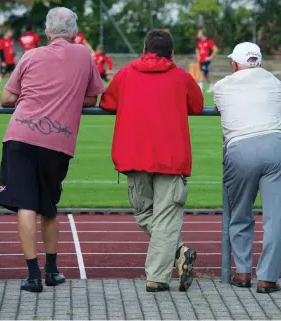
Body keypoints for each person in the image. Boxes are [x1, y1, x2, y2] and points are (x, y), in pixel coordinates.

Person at [0, 7, 105, 293]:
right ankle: (52, 271)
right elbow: (92, 97)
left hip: (20, 135)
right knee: (49, 207)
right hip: (58, 141)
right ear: (74, 32)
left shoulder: (31, 56)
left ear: (46, 32)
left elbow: (7, 97)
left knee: (25, 205)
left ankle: (32, 276)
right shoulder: (83, 55)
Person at [99, 29, 204, 293]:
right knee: (164, 218)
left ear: (144, 49)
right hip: (171, 156)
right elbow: (198, 105)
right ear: (171, 53)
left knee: (145, 214)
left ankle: (157, 276)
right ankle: (178, 252)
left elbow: (107, 102)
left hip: (133, 155)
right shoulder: (181, 77)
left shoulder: (125, 74)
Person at [213, 42, 281, 294]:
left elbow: (221, 106)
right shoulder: (274, 82)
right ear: (257, 61)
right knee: (276, 218)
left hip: (240, 149)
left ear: (234, 64)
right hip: (276, 146)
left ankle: (243, 272)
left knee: (239, 213)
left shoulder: (222, 86)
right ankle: (268, 279)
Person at [0, 29, 16, 95]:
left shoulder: (11, 41)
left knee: (13, 76)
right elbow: (0, 52)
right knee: (2, 75)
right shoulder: (1, 41)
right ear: (6, 33)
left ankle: (10, 90)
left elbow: (10, 51)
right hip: (5, 62)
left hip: (11, 62)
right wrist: (3, 61)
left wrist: (14, 56)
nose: (11, 33)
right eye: (10, 32)